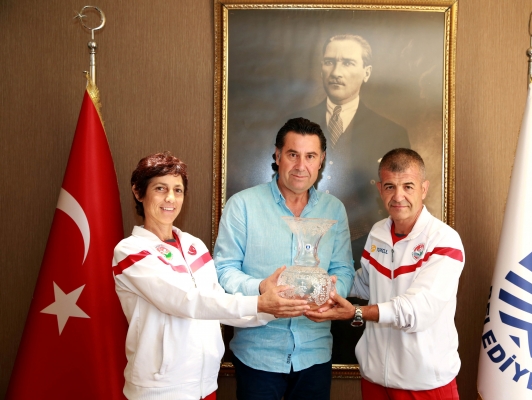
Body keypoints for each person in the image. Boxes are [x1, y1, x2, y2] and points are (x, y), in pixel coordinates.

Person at [112, 151, 310, 400]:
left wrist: (274, 308)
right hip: (159, 390)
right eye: (160, 188)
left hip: (205, 384)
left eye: (178, 190)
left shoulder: (194, 246)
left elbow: (217, 304)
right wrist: (259, 302)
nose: (170, 198)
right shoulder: (129, 251)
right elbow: (185, 301)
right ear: (138, 192)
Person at [306, 148, 465, 399]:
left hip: (424, 384)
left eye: (408, 186)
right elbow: (366, 283)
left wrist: (356, 312)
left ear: (424, 189)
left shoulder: (444, 240)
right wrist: (325, 285)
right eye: (390, 187)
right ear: (380, 189)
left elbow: (417, 310)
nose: (398, 196)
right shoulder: (378, 232)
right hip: (375, 378)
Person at [214, 118, 355, 400]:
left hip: (314, 354)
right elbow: (224, 269)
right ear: (277, 156)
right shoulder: (242, 205)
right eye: (293, 154)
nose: (301, 165)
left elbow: (343, 268)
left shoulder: (334, 210)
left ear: (321, 160)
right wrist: (260, 288)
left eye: (310, 156)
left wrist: (331, 293)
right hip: (258, 354)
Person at [295, 34, 411, 266]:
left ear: (366, 72)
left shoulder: (391, 133)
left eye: (347, 63)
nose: (336, 72)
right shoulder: (295, 126)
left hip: (367, 250)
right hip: (304, 248)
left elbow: (402, 197)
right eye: (329, 62)